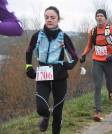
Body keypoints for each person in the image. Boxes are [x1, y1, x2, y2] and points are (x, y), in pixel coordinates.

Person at [25, 6, 78, 134]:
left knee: (58, 112)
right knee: (41, 108)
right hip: (43, 74)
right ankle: (46, 116)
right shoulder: (37, 35)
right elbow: (28, 51)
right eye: (46, 17)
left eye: (52, 17)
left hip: (59, 77)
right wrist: (29, 67)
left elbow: (74, 57)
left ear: (58, 19)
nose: (49, 20)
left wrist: (67, 65)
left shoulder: (63, 37)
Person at [80, 9, 112, 121]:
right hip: (97, 61)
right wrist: (84, 54)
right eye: (97, 16)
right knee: (97, 86)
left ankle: (110, 91)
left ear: (105, 18)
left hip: (109, 61)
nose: (99, 17)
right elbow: (89, 46)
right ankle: (97, 111)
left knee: (110, 84)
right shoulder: (92, 31)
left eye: (101, 16)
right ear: (96, 18)